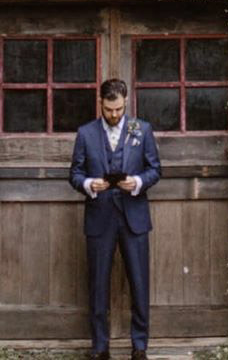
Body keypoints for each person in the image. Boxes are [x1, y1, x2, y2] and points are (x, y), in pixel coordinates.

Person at [69, 78, 162, 360]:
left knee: (139, 281)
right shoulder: (86, 133)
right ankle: (99, 347)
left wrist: (136, 181)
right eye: (109, 110)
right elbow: (74, 173)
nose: (114, 115)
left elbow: (155, 169)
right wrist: (88, 185)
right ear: (101, 103)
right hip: (100, 216)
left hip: (134, 216)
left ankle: (139, 346)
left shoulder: (141, 129)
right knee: (98, 284)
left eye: (119, 109)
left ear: (125, 103)